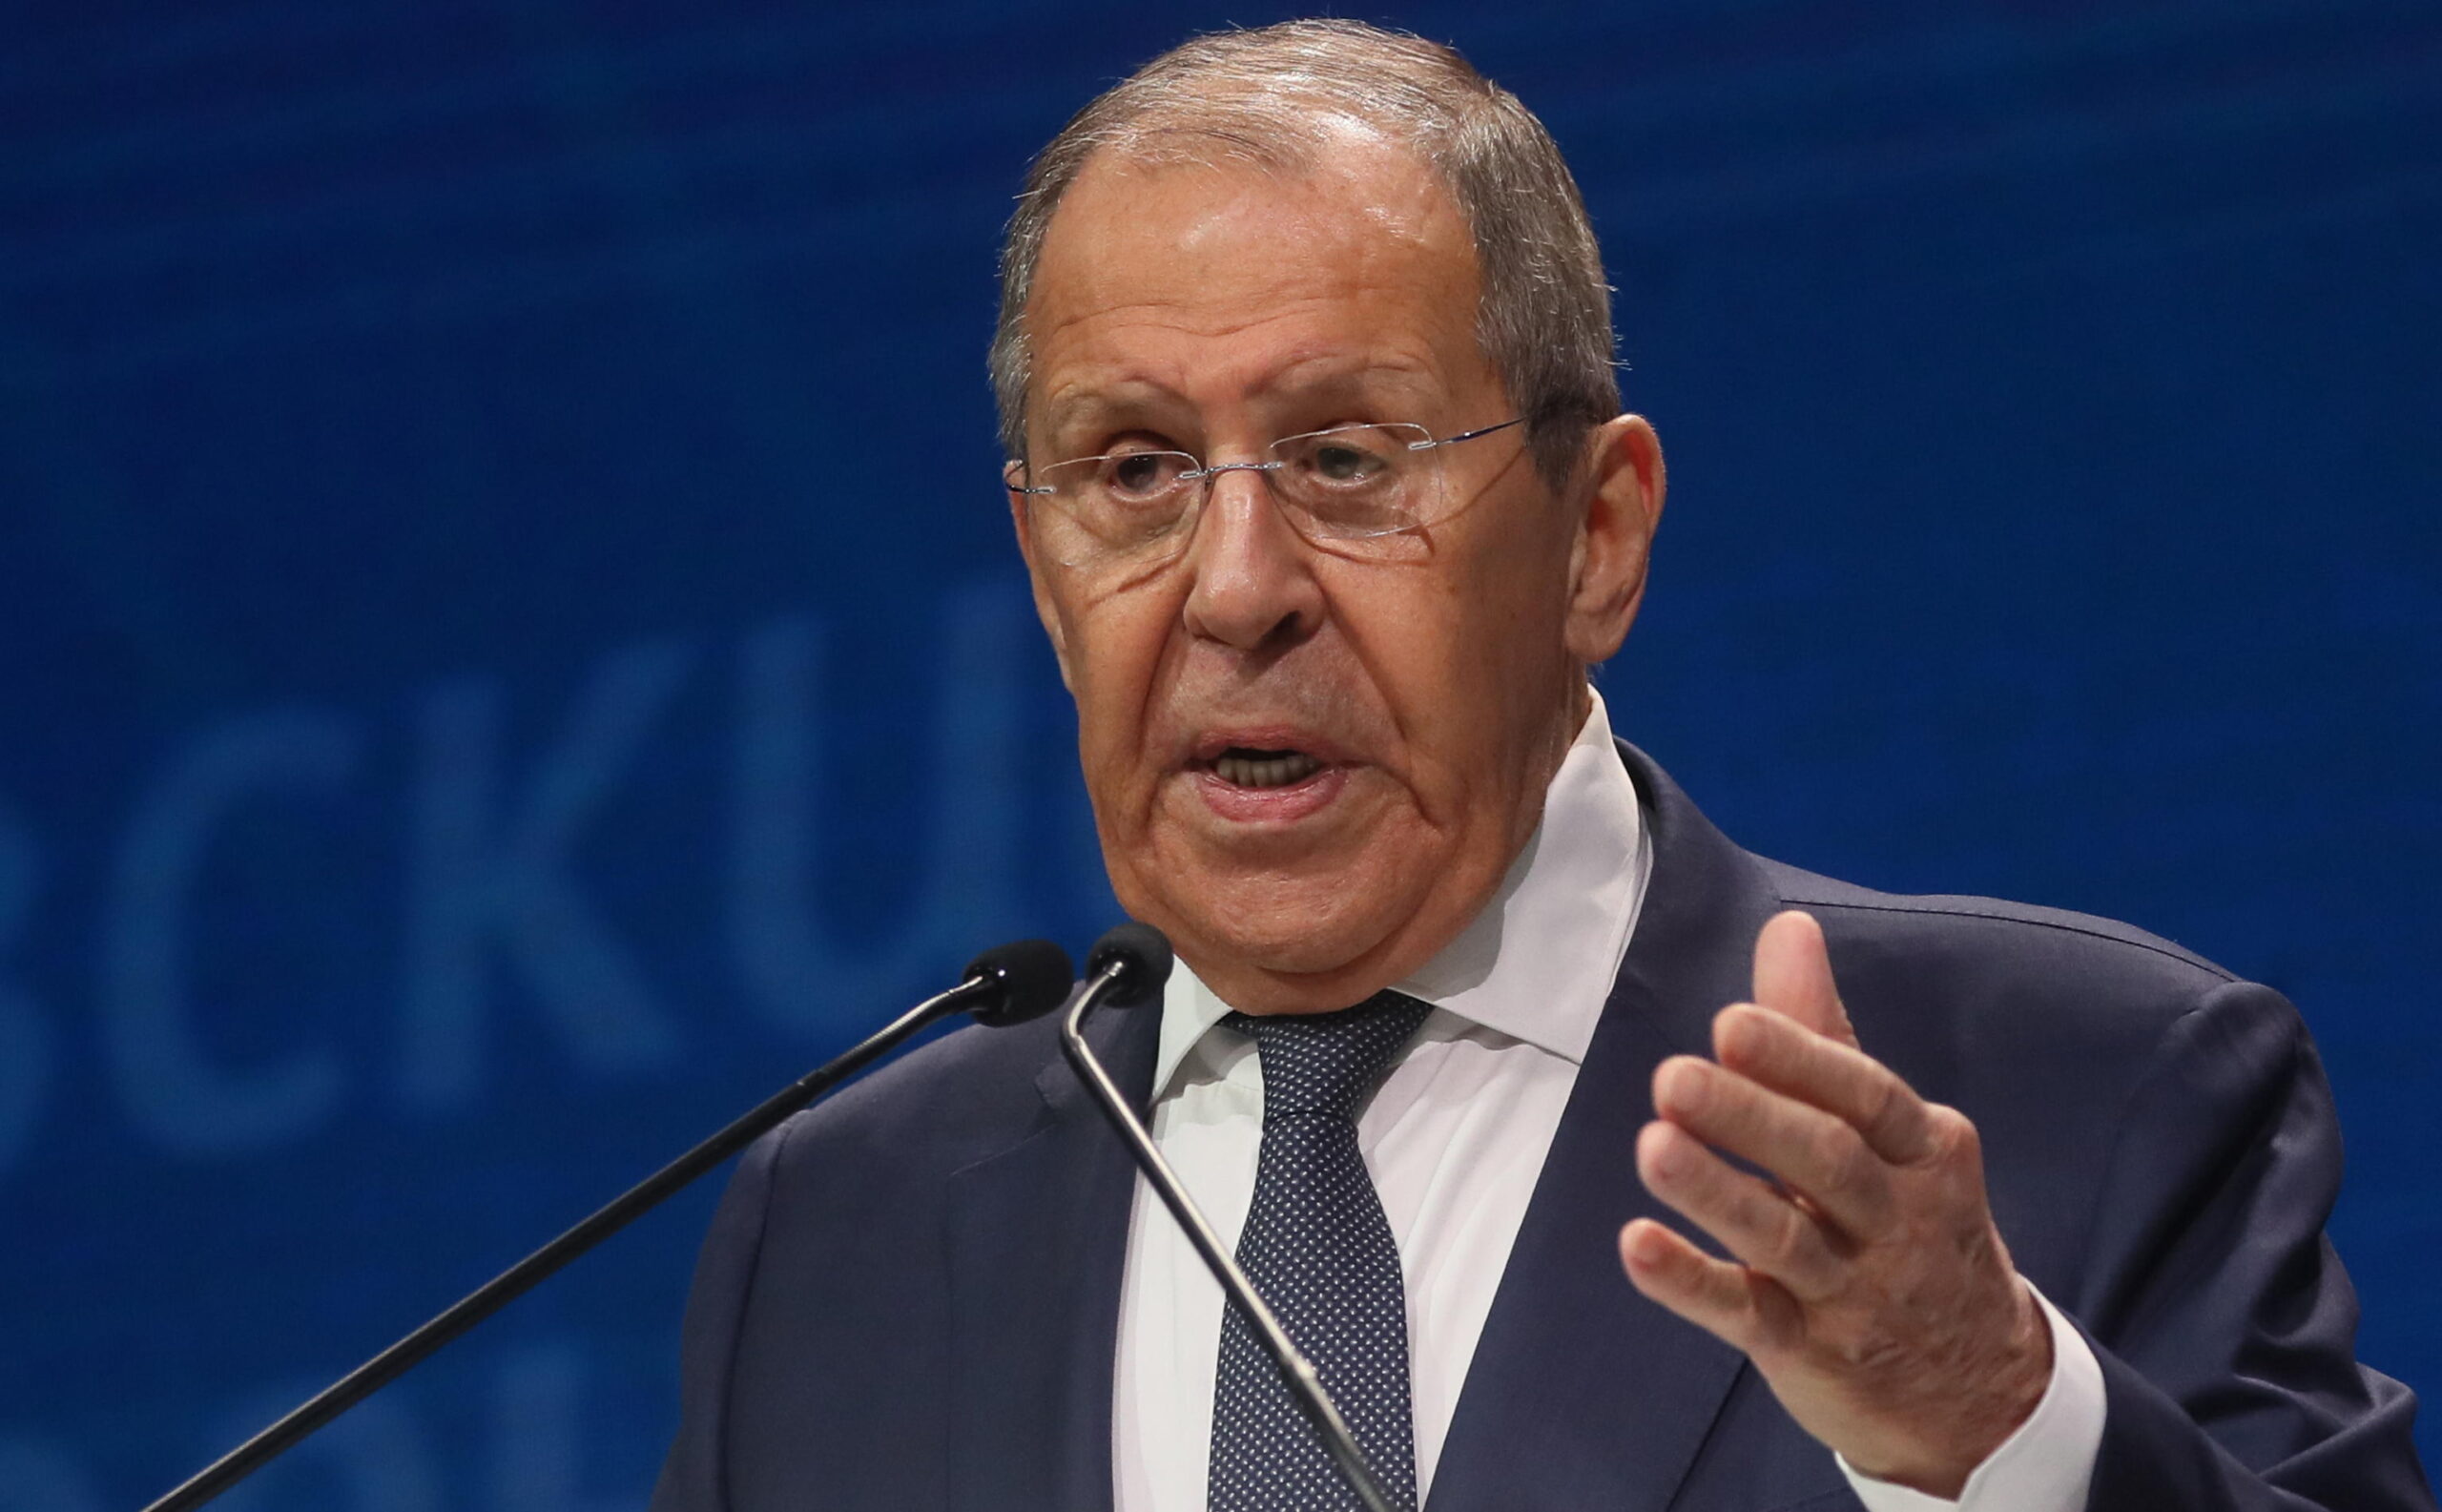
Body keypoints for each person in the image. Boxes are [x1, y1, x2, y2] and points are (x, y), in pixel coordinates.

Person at [651, 20, 2432, 1512]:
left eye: (1346, 458)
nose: (1237, 588)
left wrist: (1992, 1423)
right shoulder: (838, 1231)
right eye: (1133, 470)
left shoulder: (2082, 1092)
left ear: (1597, 535)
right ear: (1044, 575)